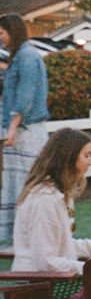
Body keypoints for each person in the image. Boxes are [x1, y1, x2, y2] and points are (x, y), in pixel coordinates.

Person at [12, 128, 91, 299]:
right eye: (86, 156)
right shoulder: (45, 199)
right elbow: (47, 263)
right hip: (37, 291)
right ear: (68, 158)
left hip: (53, 282)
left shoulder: (58, 193)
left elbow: (63, 245)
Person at [0, 13, 50, 240]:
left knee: (27, 183)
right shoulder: (20, 56)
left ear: (13, 31)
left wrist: (11, 129)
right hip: (20, 129)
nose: (1, 38)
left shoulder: (27, 56)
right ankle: (20, 234)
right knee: (16, 183)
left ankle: (29, 233)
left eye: (2, 33)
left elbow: (25, 96)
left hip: (25, 131)